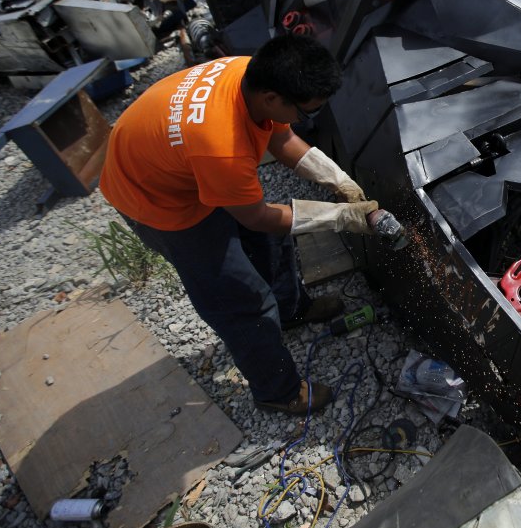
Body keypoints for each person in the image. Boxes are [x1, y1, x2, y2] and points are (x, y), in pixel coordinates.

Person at [99, 36, 381, 415]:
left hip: (179, 161)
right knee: (241, 300)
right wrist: (341, 217)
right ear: (272, 98)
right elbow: (256, 216)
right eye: (306, 111)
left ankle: (291, 310)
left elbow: (282, 135)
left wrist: (336, 179)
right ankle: (277, 392)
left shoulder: (247, 73)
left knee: (272, 239)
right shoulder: (222, 147)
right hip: (156, 199)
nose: (307, 118)